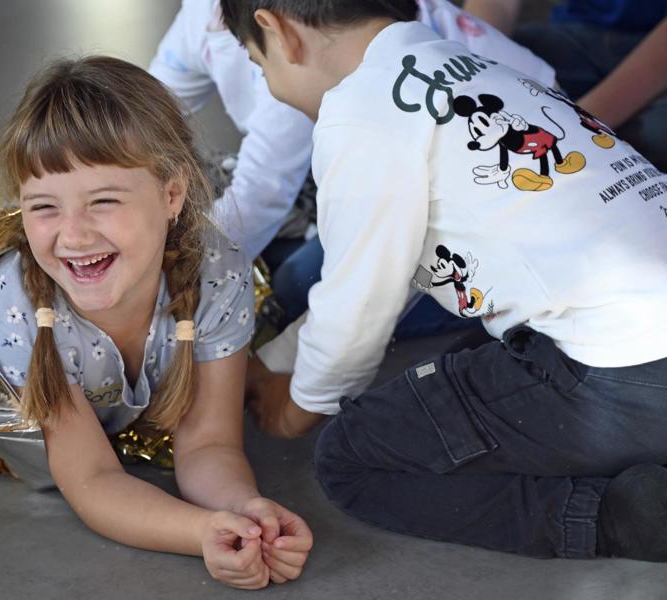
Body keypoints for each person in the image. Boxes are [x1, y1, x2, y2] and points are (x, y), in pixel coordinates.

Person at [221, 0, 667, 561]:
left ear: (278, 31)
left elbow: (359, 305)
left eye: (262, 71)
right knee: (474, 355)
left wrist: (299, 404)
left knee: (351, 456)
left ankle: (625, 517)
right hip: (640, 344)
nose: (273, 86)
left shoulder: (359, 109)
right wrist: (282, 358)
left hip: (622, 375)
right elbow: (397, 268)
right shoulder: (481, 67)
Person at [0, 56, 312, 590]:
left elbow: (208, 443)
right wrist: (201, 531)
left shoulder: (218, 270)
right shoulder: (16, 303)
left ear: (172, 195)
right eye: (43, 207)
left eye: (103, 201)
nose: (74, 235)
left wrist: (246, 513)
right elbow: (91, 477)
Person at [150, 0, 556, 331]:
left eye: (258, 63)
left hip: (513, 208)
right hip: (405, 170)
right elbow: (149, 114)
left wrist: (160, 279)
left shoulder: (315, 56)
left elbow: (262, 194)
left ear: (273, 32)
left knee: (301, 285)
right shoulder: (211, 16)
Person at [465, 0, 667, 170]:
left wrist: (578, 122)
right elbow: (496, 6)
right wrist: (477, 74)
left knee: (656, 133)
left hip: (655, 53)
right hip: (579, 31)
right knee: (517, 51)